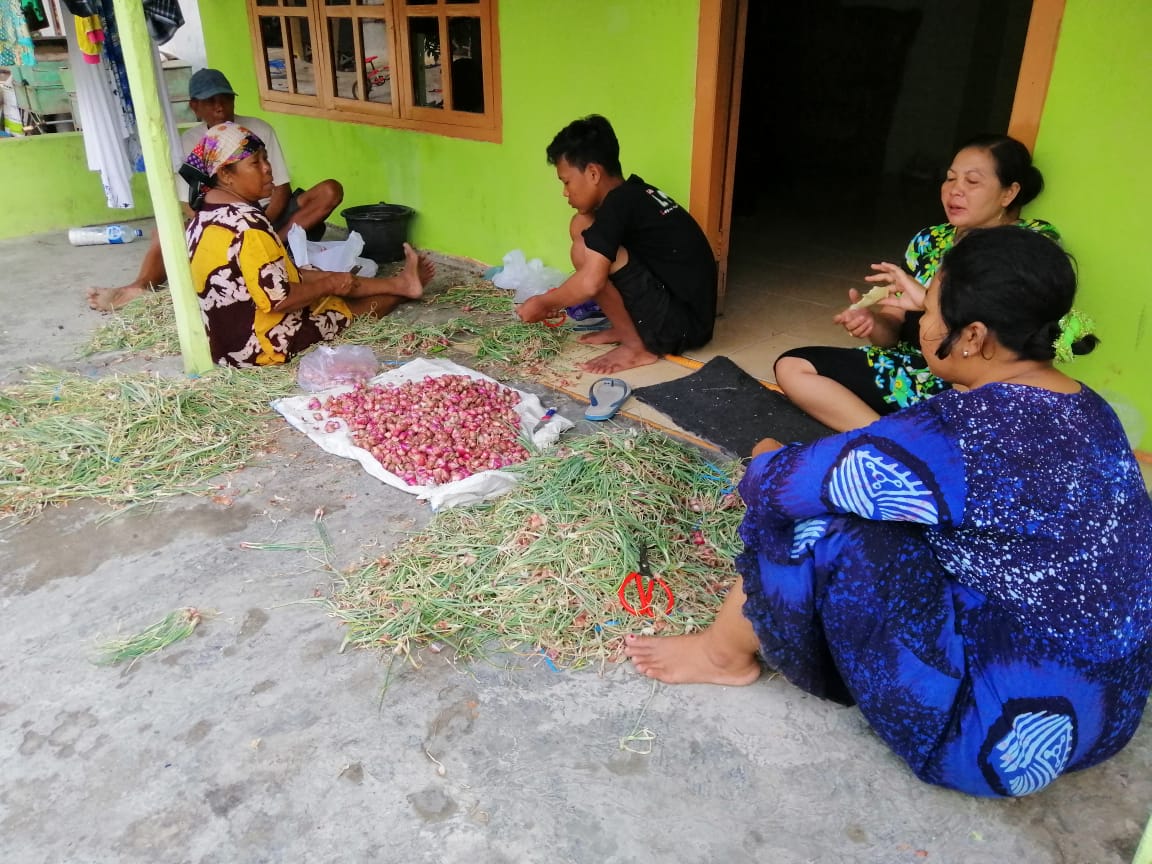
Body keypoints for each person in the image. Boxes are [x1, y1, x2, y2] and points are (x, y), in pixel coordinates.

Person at [625, 226, 1152, 797]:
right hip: (1109, 714)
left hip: (991, 743)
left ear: (973, 336)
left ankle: (721, 654)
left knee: (821, 518)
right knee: (908, 512)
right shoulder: (1090, 407)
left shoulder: (961, 429)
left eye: (931, 309)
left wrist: (766, 456)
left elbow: (784, 487)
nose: (923, 324)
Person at [775, 134, 1060, 432]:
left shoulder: (1032, 243)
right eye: (950, 179)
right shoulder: (929, 241)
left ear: (1009, 192)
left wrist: (926, 299)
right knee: (793, 366)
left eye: (972, 182)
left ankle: (905, 441)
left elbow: (1000, 332)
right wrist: (873, 323)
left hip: (973, 381)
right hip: (911, 372)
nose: (954, 191)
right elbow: (892, 332)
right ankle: (889, 441)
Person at [87, 68, 344, 312]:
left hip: (270, 217)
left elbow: (281, 187)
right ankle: (138, 287)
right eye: (210, 101)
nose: (219, 107)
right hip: (221, 224)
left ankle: (275, 245)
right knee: (164, 232)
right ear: (194, 106)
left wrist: (260, 225)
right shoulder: (189, 143)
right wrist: (237, 228)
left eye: (226, 99)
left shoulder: (259, 128)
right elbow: (189, 202)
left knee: (330, 190)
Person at [181, 122, 433, 368]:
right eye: (255, 163)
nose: (268, 169)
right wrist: (330, 284)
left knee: (322, 278)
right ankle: (400, 292)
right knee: (348, 306)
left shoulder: (203, 215)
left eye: (266, 159)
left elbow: (263, 279)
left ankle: (402, 283)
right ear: (225, 174)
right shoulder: (248, 224)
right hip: (261, 346)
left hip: (224, 343)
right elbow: (279, 301)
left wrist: (328, 279)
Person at [516, 114, 717, 374]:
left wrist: (545, 302)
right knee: (583, 226)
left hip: (680, 328)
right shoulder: (632, 193)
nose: (565, 192)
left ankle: (636, 347)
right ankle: (627, 329)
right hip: (688, 316)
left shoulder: (617, 204)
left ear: (592, 173)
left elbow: (592, 282)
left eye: (566, 182)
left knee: (587, 251)